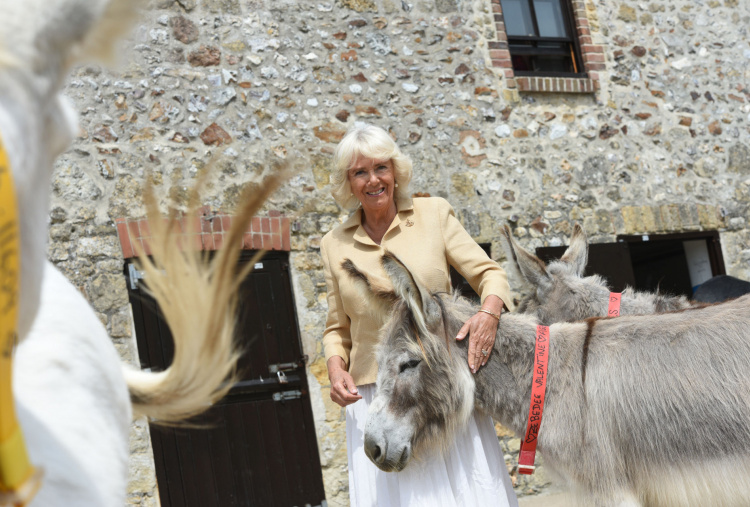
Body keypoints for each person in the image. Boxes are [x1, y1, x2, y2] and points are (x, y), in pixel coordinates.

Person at [320, 123, 518, 507]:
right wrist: (334, 366)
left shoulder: (434, 214)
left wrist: (489, 315)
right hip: (377, 395)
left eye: (381, 167)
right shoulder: (333, 243)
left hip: (439, 387)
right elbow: (336, 327)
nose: (373, 180)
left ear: (395, 171)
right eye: (360, 172)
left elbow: (490, 273)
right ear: (349, 182)